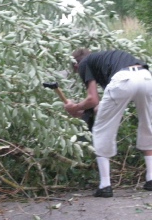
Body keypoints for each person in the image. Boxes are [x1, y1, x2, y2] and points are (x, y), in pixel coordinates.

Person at [64, 49, 152, 198]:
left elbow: (92, 99)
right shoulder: (106, 61)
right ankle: (151, 179)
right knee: (148, 126)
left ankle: (105, 185)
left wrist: (75, 107)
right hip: (146, 77)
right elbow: (103, 104)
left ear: (76, 65)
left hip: (124, 79)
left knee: (101, 130)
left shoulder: (85, 64)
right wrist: (86, 110)